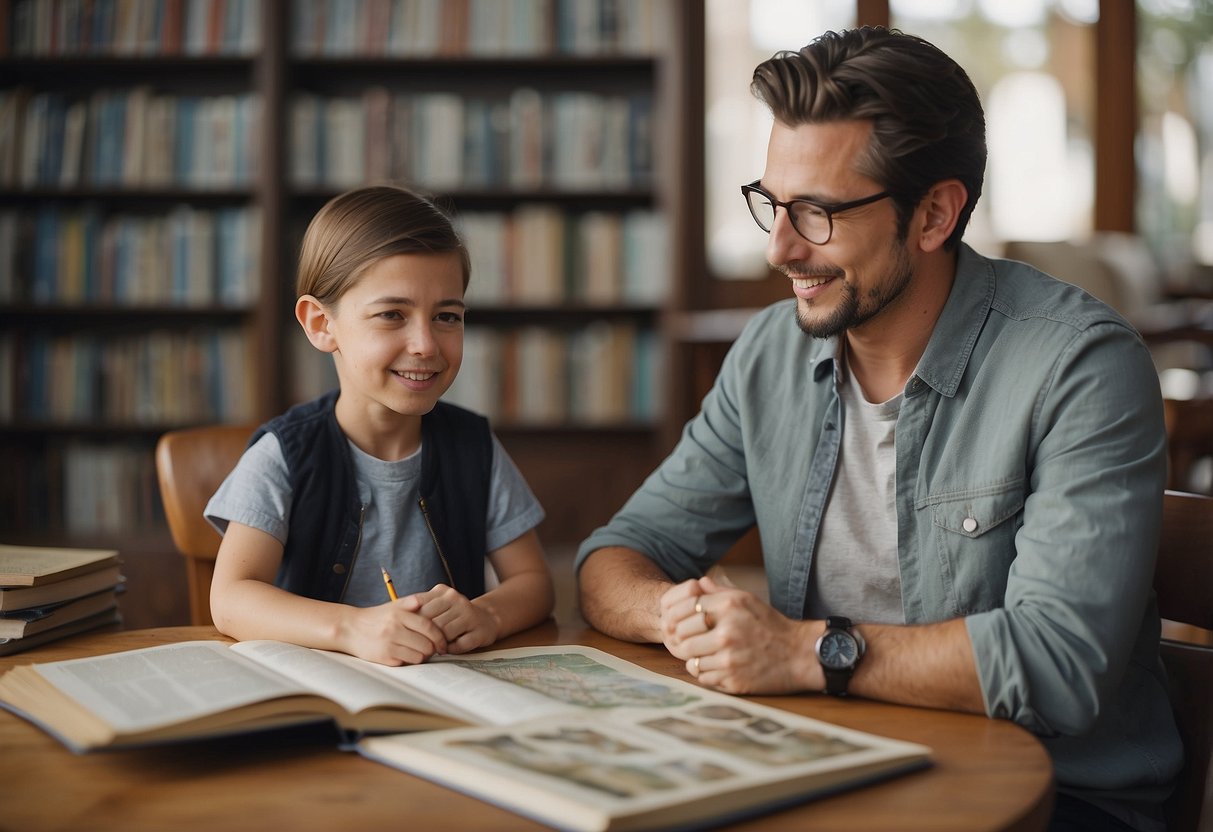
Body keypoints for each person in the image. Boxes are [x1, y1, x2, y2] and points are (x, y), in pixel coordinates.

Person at [576, 27, 1181, 832]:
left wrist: (798, 652)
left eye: (816, 213)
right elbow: (613, 558)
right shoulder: (770, 352)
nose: (777, 248)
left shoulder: (1080, 367)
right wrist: (678, 615)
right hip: (839, 760)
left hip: (1056, 796)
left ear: (933, 213)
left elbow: (1056, 663)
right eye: (771, 203)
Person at [207, 185, 554, 667]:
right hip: (318, 691)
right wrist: (353, 628)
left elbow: (534, 583)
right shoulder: (283, 455)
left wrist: (488, 615)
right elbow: (230, 599)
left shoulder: (475, 447)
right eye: (392, 314)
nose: (426, 344)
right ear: (321, 324)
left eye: (447, 316)